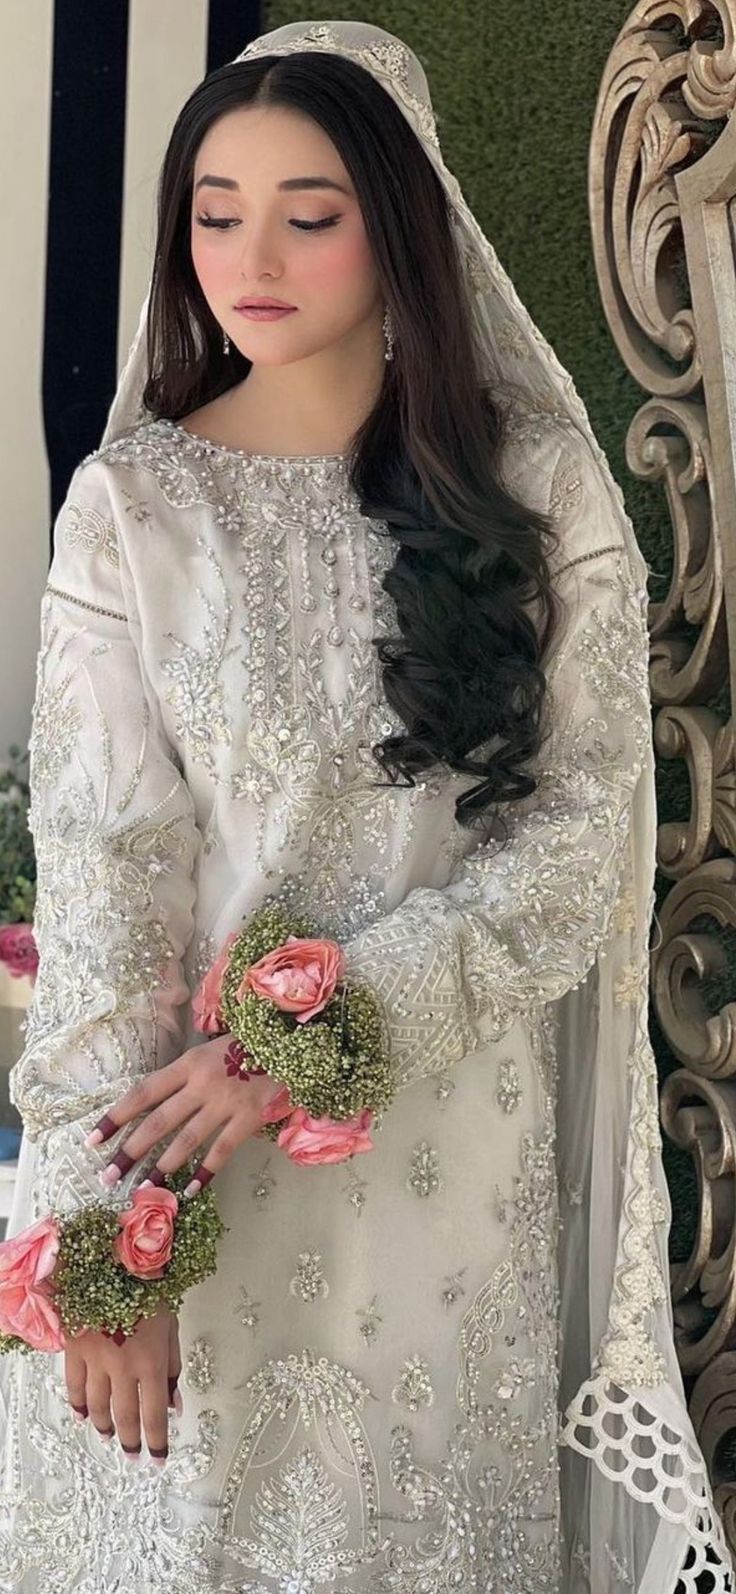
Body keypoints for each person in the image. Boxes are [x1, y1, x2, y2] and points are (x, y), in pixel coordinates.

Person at [0, 19, 730, 1593]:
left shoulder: (536, 491)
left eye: (308, 212)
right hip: (185, 1182)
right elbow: (105, 884)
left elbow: (579, 852)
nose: (248, 255)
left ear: (399, 227)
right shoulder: (136, 508)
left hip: (447, 1165)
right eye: (213, 209)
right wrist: (90, 1242)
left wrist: (310, 1047)